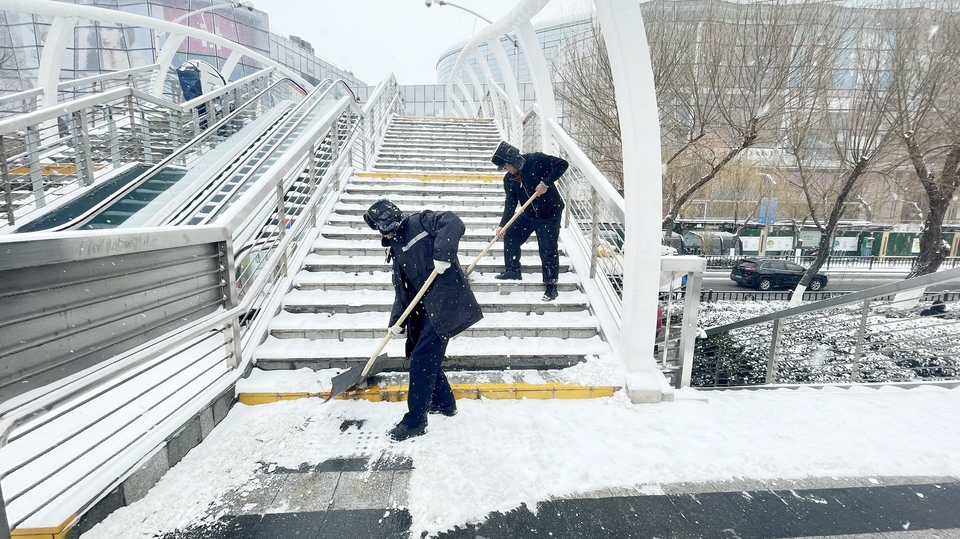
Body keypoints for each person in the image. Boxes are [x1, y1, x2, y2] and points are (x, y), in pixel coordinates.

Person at [363, 199, 483, 442]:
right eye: (382, 228)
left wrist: (442, 254)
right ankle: (444, 403)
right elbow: (403, 288)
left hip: (445, 303)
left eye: (388, 226)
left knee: (422, 360)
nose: (387, 231)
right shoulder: (394, 246)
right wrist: (396, 321)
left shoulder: (421, 221)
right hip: (422, 309)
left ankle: (415, 421)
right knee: (417, 354)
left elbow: (453, 220)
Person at [490, 141, 569, 301]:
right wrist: (503, 225)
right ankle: (513, 270)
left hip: (549, 214)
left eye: (506, 166)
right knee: (511, 235)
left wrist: (545, 183)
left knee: (547, 248)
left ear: (513, 160)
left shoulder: (536, 160)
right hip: (529, 214)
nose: (506, 170)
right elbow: (510, 204)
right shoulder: (509, 180)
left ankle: (551, 285)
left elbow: (562, 164)